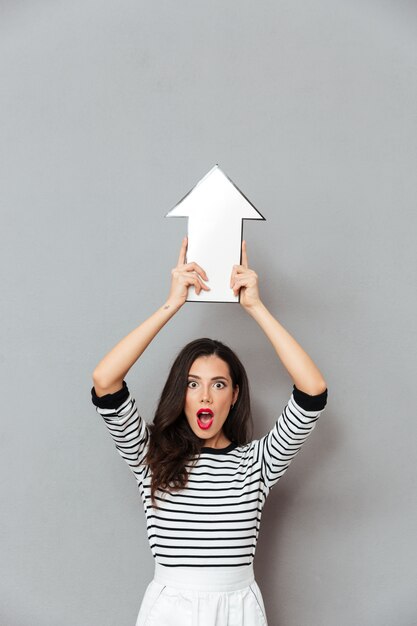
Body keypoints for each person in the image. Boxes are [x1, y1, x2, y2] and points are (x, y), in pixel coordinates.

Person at [91, 236, 328, 626]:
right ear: (179, 393)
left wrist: (255, 306)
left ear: (234, 396)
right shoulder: (148, 454)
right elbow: (105, 380)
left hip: (238, 610)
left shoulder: (257, 462)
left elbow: (312, 392)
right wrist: (172, 304)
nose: (205, 395)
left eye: (219, 385)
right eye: (192, 383)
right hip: (170, 611)